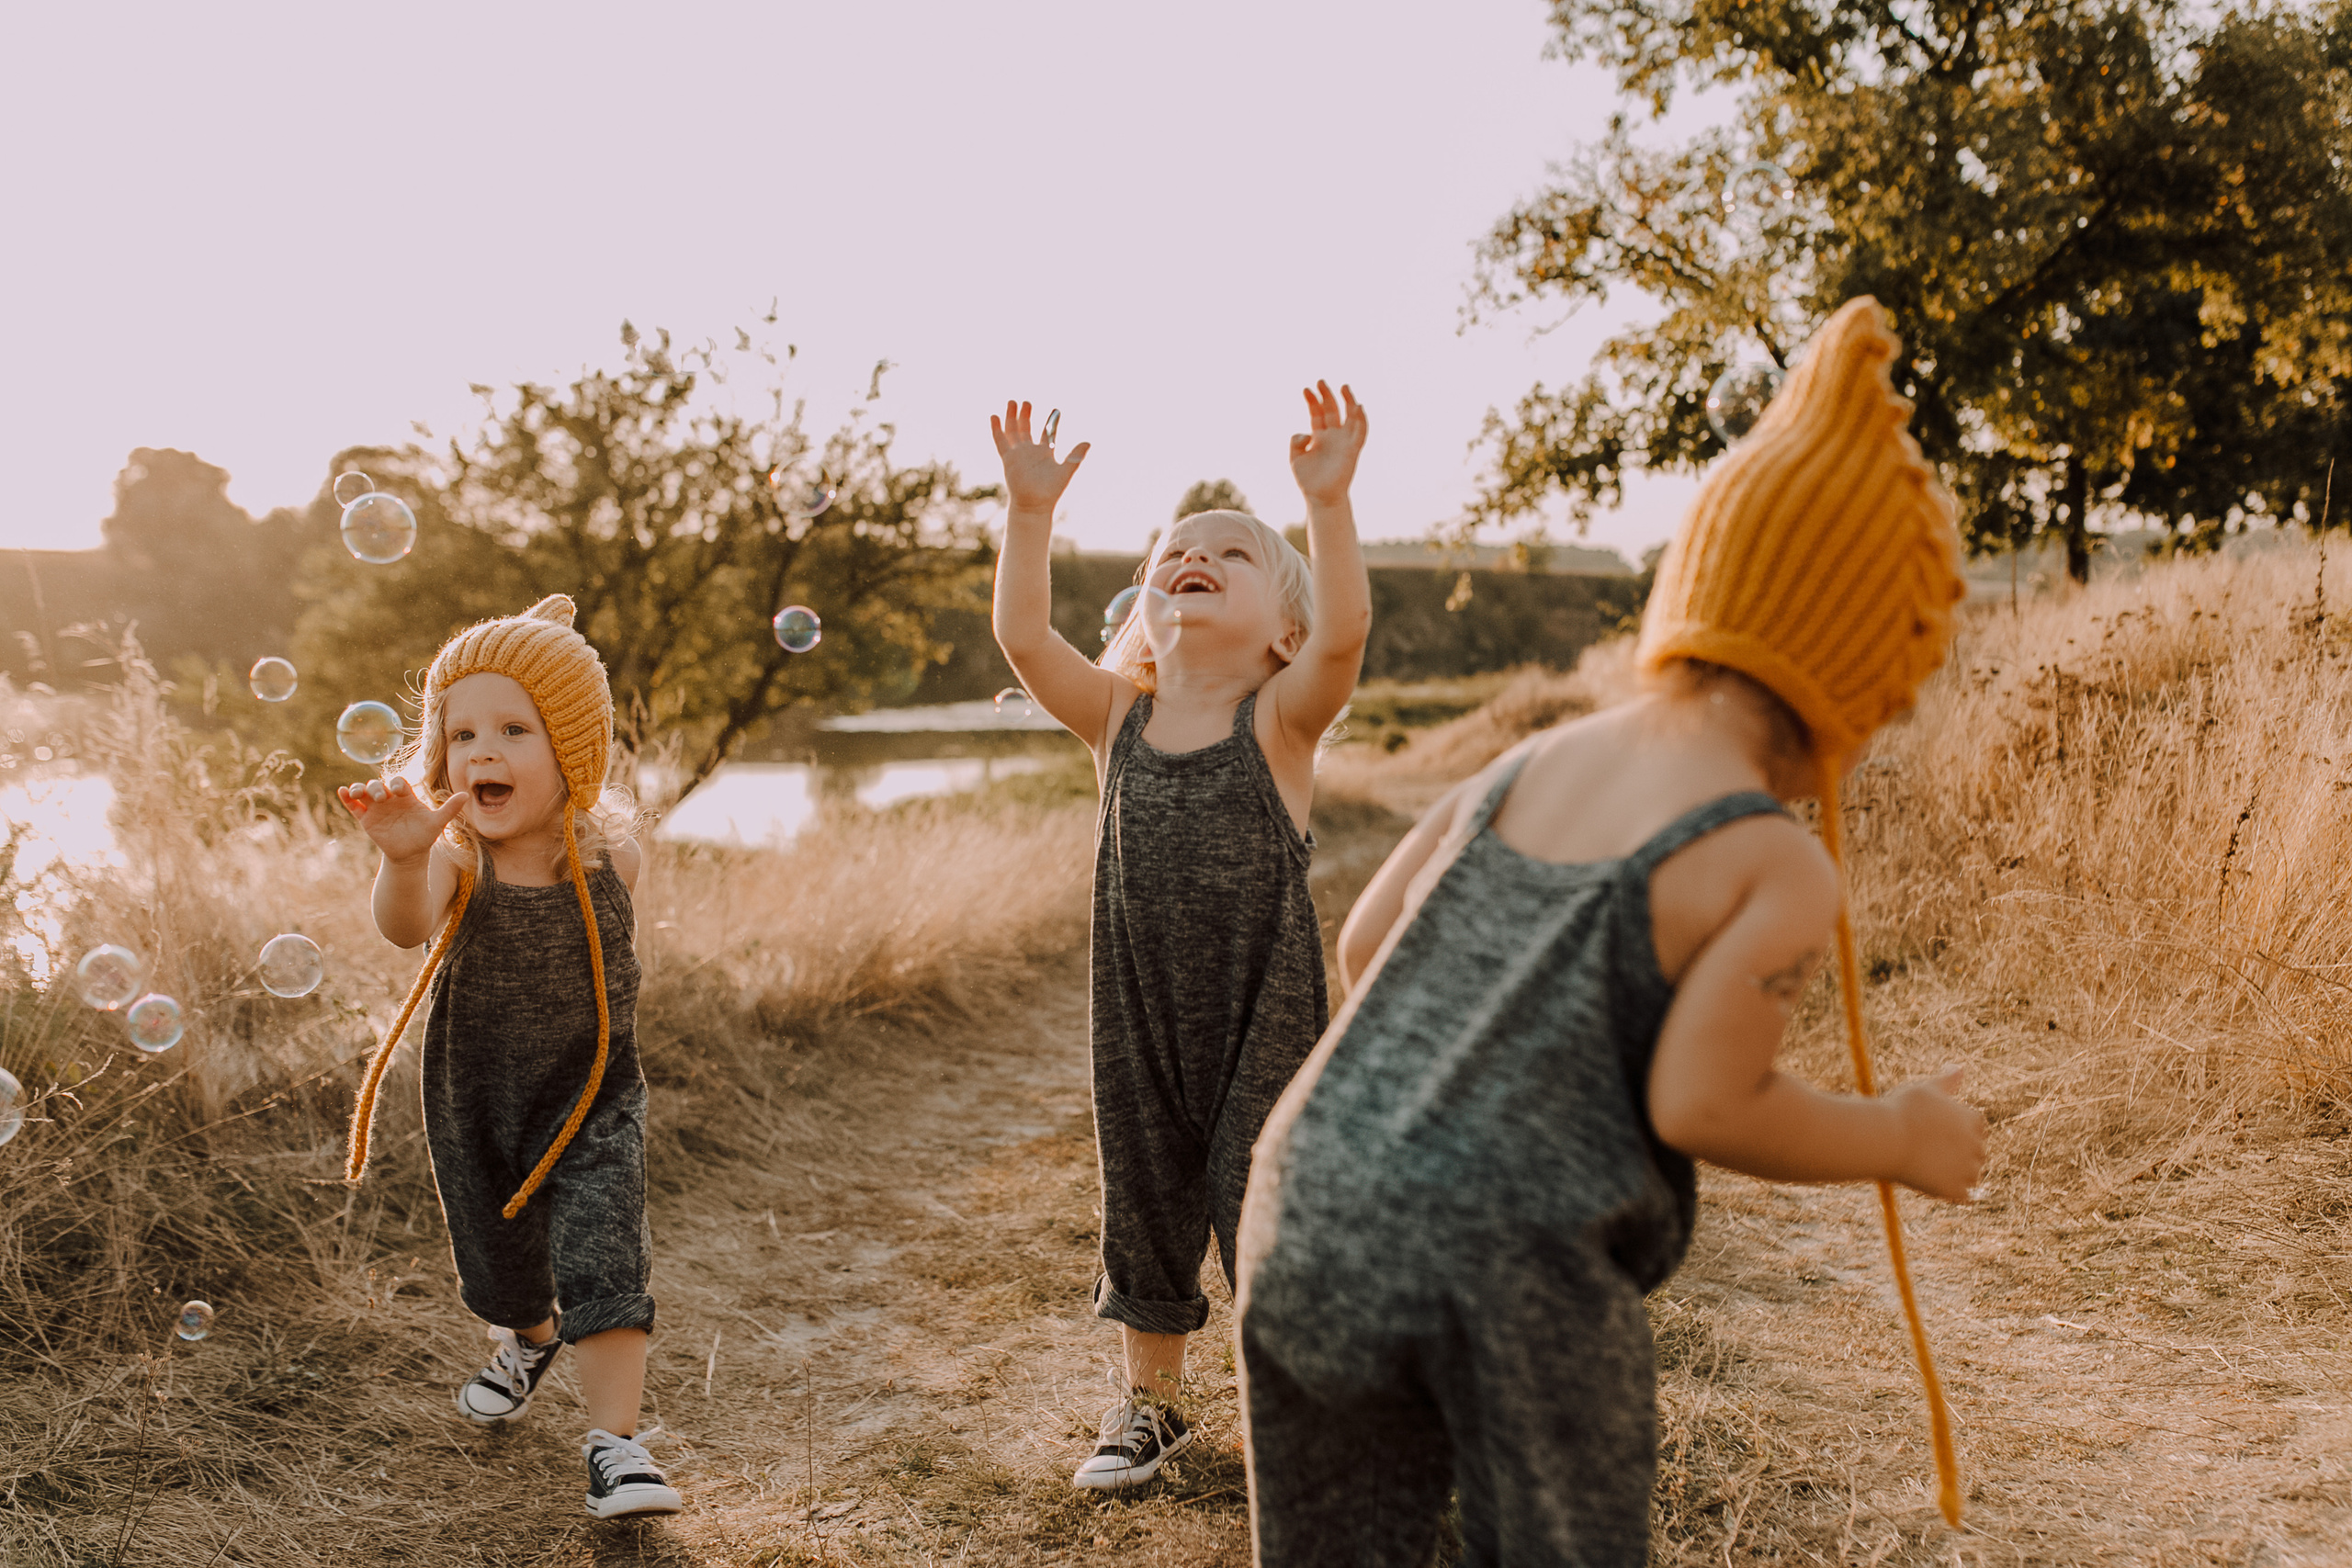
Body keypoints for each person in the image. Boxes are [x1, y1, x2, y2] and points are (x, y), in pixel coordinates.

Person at [1235, 299, 1989, 1565]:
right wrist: (1897, 1133)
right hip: (1511, 1265)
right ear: (1857, 680)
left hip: (1305, 1193)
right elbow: (1704, 1100)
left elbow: (1366, 942)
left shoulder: (1531, 761)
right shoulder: (1772, 858)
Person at [989, 387, 1372, 1490]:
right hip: (1138, 1013)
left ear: (1281, 632)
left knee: (1271, 1200)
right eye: (1175, 555)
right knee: (1145, 1195)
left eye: (1232, 556)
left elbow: (1346, 633)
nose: (1194, 557)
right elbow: (1022, 636)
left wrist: (1327, 504)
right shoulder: (1117, 720)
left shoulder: (1282, 721)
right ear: (1144, 607)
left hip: (1267, 1013)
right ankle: (1145, 1408)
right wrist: (1028, 516)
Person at [337, 594, 681, 1520]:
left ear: (574, 752)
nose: (481, 752)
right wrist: (402, 861)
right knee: (501, 1269)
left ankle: (617, 1447)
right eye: (461, 733)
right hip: (475, 1103)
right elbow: (404, 930)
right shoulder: (453, 860)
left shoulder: (612, 855)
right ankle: (527, 1340)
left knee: (605, 1258)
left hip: (593, 1100)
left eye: (514, 730)